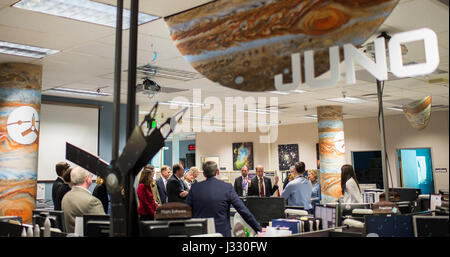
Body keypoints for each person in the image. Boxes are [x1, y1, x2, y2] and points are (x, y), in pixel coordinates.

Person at [186, 161, 262, 237]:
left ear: (204, 174)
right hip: (222, 233)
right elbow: (243, 210)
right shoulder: (227, 187)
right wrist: (259, 229)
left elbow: (186, 212)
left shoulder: (194, 188)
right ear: (218, 172)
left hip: (199, 234)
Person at [61, 166, 105, 233]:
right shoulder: (92, 201)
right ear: (87, 179)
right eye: (91, 176)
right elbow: (104, 228)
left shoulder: (66, 197)